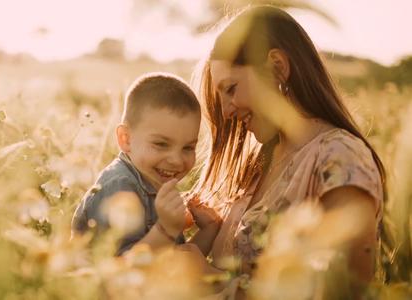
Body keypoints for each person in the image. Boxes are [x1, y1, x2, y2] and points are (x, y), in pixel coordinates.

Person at [185, 5, 386, 298]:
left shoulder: (340, 157)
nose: (226, 110)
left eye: (231, 89)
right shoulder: (257, 162)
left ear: (277, 67)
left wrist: (208, 279)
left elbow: (345, 291)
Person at [72, 72, 222, 256]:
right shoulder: (119, 187)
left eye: (188, 147)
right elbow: (122, 272)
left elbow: (174, 262)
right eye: (161, 144)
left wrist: (209, 230)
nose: (176, 160)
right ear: (125, 139)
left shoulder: (155, 181)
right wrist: (166, 229)